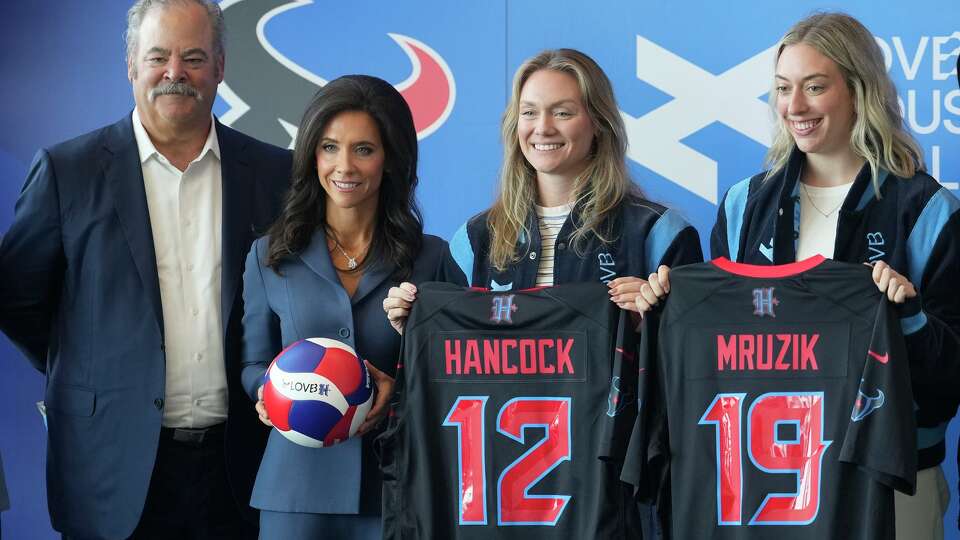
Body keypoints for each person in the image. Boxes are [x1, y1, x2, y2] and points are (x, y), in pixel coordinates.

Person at [383, 48, 702, 538]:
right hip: (495, 495)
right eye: (530, 112)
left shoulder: (659, 234)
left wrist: (656, 320)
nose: (543, 127)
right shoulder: (474, 242)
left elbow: (697, 379)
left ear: (598, 123)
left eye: (563, 111)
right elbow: (446, 377)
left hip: (609, 500)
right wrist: (417, 326)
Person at [0, 0, 291, 537]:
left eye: (194, 57)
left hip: (241, 469)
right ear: (130, 64)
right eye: (157, 56)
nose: (174, 73)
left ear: (222, 67)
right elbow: (17, 300)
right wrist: (98, 364)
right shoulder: (68, 171)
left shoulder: (276, 173)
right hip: (108, 467)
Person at [702, 12, 960, 540]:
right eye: (782, 89)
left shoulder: (928, 210)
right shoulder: (742, 206)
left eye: (814, 87)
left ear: (859, 91)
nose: (794, 107)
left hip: (891, 478)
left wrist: (906, 317)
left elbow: (953, 369)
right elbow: (716, 345)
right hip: (766, 474)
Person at [240, 75, 466, 540]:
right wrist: (271, 391)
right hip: (295, 494)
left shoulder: (433, 259)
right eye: (329, 147)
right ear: (311, 156)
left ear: (391, 160)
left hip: (397, 490)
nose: (344, 165)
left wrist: (398, 392)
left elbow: (460, 375)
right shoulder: (268, 256)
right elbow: (252, 362)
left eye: (364, 149)